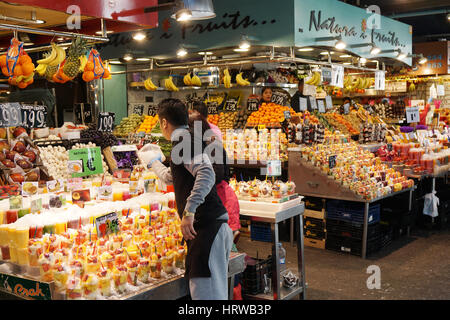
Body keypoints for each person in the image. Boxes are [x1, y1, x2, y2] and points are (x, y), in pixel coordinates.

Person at [139, 98, 233, 300]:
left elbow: (206, 173)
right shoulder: (186, 139)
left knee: (207, 297)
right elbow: (173, 177)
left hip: (208, 228)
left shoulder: (183, 140)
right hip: (209, 228)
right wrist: (153, 162)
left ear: (164, 123)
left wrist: (189, 211)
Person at [188, 112, 241, 247]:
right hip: (216, 197)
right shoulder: (200, 147)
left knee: (221, 242)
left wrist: (199, 177)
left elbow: (218, 174)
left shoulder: (213, 147)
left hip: (221, 198)